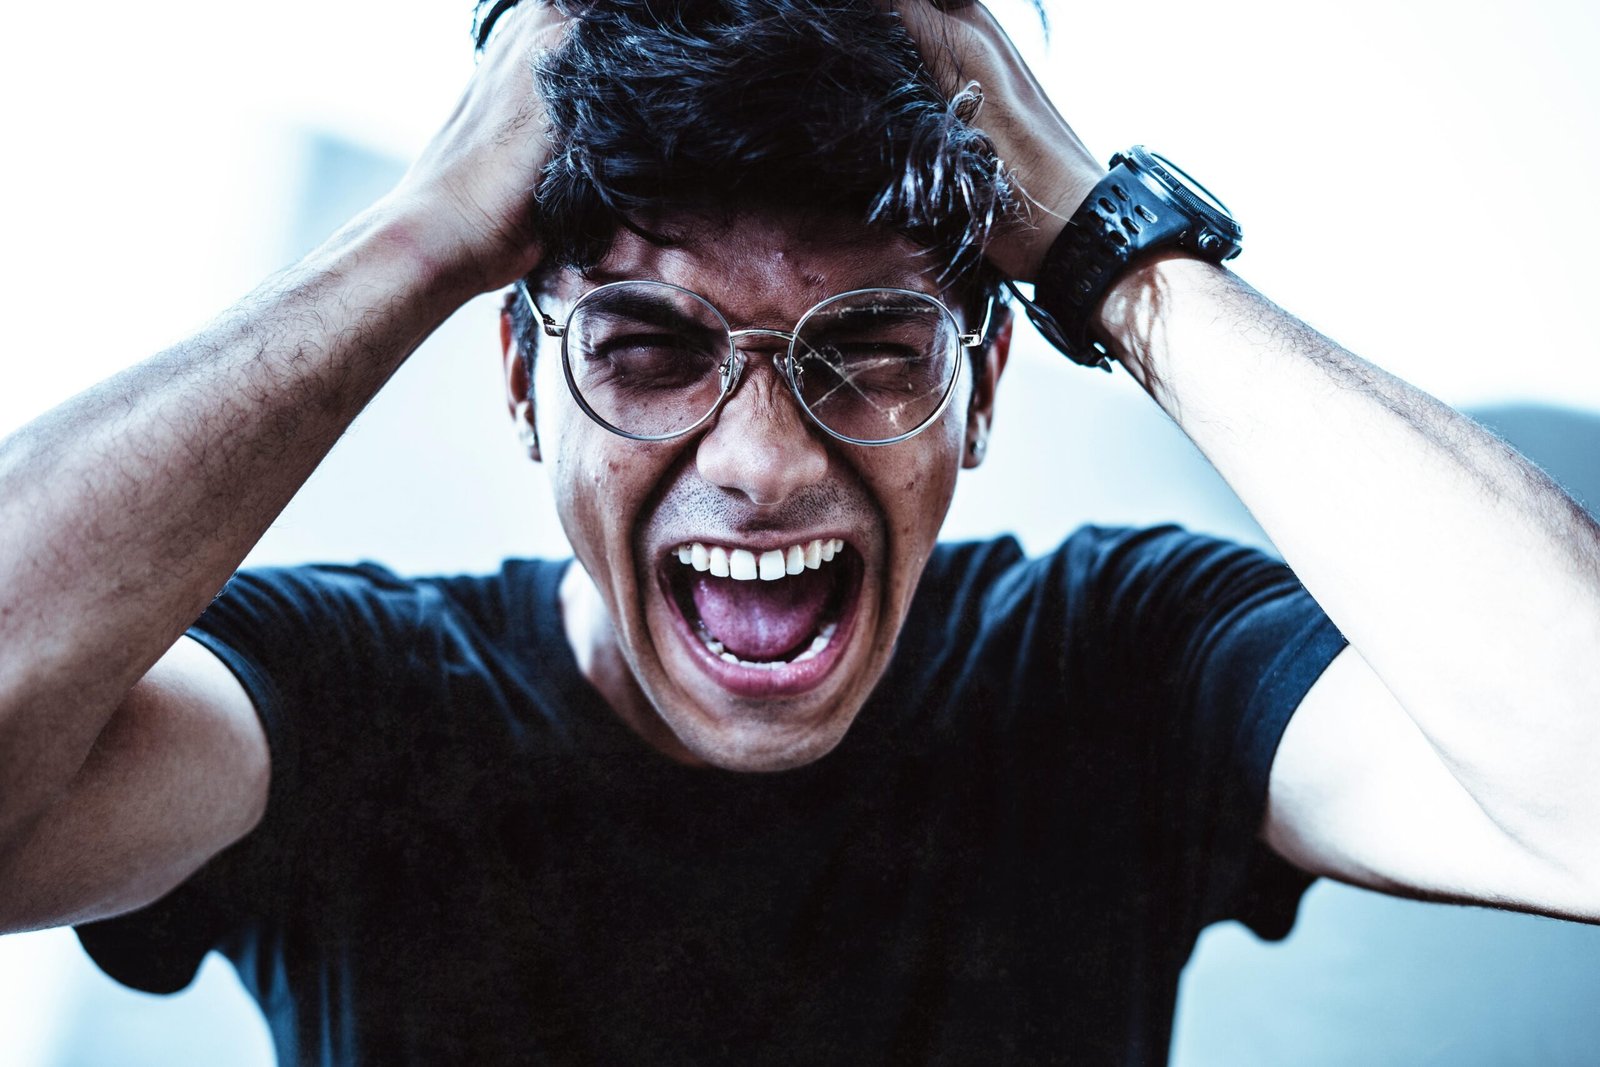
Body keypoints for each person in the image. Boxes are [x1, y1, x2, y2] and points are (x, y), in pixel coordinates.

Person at [1, 0, 1596, 1063]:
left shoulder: (1126, 664)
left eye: (873, 351)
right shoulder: (337, 700)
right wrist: (419, 239)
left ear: (979, 387)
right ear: (526, 382)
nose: (765, 465)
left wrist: (1095, 233)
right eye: (648, 348)